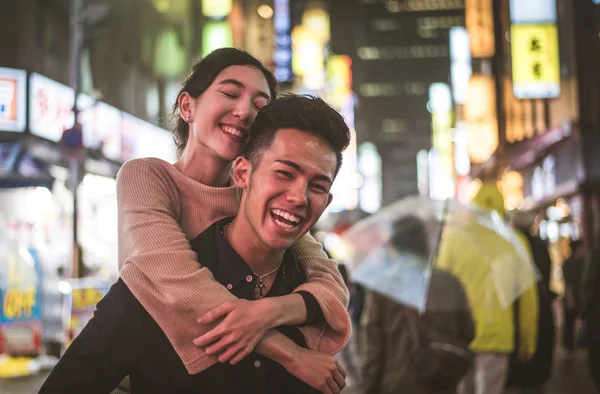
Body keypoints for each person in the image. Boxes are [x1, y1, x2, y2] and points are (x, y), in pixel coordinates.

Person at [38, 94, 351, 394]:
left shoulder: (314, 299)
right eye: (284, 173)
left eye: (318, 186)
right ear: (243, 172)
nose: (299, 197)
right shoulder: (152, 292)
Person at [110, 48, 350, 389]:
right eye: (230, 93)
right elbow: (177, 284)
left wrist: (268, 312)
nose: (244, 112)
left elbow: (329, 281)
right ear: (187, 106)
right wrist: (286, 351)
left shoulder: (258, 201)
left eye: (260, 104)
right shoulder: (148, 177)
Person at [436, 182, 539, 394]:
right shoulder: (515, 241)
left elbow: (439, 290)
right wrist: (528, 339)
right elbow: (528, 297)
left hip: (459, 336)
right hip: (497, 336)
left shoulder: (453, 240)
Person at [359, 215, 474, 394]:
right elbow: (468, 331)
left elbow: (374, 346)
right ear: (424, 244)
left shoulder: (383, 287)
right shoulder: (449, 282)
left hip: (396, 384)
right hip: (441, 380)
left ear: (394, 245)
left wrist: (368, 387)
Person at [505, 215, 556, 394]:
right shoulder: (541, 247)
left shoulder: (509, 246)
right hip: (542, 314)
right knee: (535, 380)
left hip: (517, 318)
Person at [562, 240, 585, 356]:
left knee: (574, 323)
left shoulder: (583, 262)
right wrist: (570, 299)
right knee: (569, 324)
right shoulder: (570, 263)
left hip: (580, 297)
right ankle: (569, 347)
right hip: (572, 297)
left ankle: (574, 345)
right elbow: (568, 284)